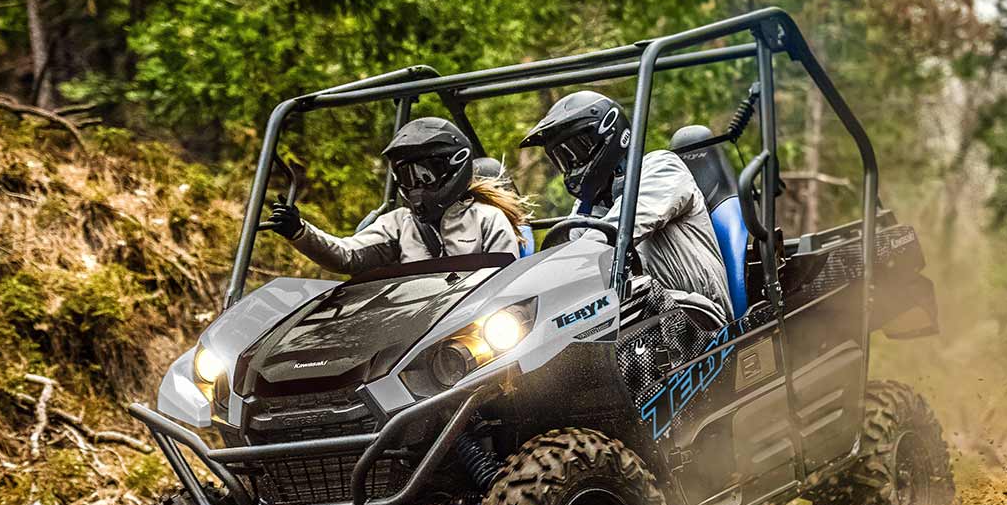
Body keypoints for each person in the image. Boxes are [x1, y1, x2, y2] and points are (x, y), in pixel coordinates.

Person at [520, 91, 733, 323]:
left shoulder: (661, 167)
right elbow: (567, 258)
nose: (572, 163)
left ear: (608, 135)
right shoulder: (586, 210)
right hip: (633, 322)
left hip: (698, 315)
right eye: (563, 157)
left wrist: (569, 263)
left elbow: (624, 225)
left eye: (576, 149)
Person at [267, 117, 527, 273]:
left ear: (453, 168)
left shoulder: (488, 219)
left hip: (472, 334)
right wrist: (299, 231)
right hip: (412, 333)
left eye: (424, 174)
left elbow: (505, 284)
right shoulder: (399, 223)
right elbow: (348, 255)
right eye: (407, 176)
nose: (415, 185)